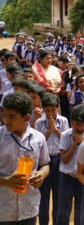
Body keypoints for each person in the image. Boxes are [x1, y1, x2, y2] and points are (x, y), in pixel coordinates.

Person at [0, 92, 50, 225]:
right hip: (3, 210)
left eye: (12, 117)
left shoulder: (39, 138)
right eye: (4, 115)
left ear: (27, 117)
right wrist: (6, 181)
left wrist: (41, 175)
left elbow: (45, 165)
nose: (6, 120)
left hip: (29, 207)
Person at [35, 93, 69, 225]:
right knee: (43, 196)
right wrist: (49, 130)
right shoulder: (39, 122)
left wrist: (56, 130)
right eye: (47, 110)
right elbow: (38, 142)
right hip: (44, 162)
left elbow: (66, 141)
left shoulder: (64, 121)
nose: (50, 113)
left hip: (59, 159)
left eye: (53, 110)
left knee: (58, 195)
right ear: (43, 109)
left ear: (57, 108)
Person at [56, 105, 84, 225]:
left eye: (80, 124)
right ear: (71, 121)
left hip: (83, 178)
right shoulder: (65, 135)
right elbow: (64, 160)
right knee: (63, 211)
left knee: (80, 211)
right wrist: (74, 144)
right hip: (67, 177)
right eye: (74, 123)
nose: (77, 126)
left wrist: (82, 145)